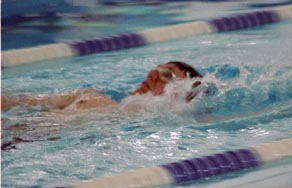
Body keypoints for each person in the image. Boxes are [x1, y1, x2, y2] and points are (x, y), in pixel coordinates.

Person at [1, 61, 203, 111]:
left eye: (166, 75)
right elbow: (18, 102)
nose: (153, 74)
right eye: (157, 69)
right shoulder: (88, 95)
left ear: (177, 93)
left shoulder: (142, 117)